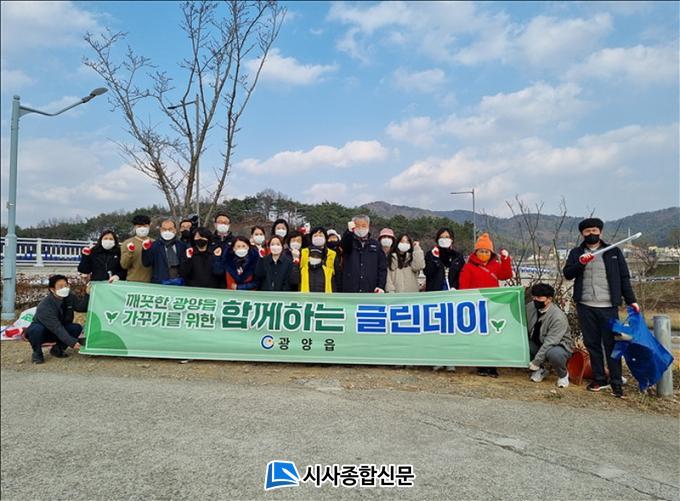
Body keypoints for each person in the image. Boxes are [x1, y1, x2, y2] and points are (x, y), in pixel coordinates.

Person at [563, 218, 638, 398]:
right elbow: (567, 274)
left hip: (608, 306)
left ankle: (616, 381)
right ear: (582, 234)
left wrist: (631, 300)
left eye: (594, 230)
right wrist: (581, 263)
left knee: (612, 344)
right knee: (592, 344)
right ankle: (599, 379)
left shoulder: (613, 252)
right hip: (585, 305)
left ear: (600, 232)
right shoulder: (576, 253)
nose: (591, 234)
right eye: (587, 231)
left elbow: (624, 278)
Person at [458, 232, 513, 377]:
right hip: (476, 306)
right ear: (476, 252)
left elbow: (506, 275)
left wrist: (506, 260)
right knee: (479, 335)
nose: (484, 254)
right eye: (481, 251)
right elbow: (463, 286)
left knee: (492, 335)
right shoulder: (469, 267)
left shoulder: (495, 265)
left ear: (491, 253)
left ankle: (492, 365)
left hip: (492, 306)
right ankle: (481, 364)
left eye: (487, 251)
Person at [25, 275, 89, 364]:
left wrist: (87, 294)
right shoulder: (45, 306)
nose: (65, 288)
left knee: (76, 328)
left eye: (66, 285)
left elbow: (81, 307)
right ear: (52, 289)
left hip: (60, 327)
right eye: (60, 287)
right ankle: (37, 353)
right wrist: (72, 343)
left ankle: (58, 349)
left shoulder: (69, 297)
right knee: (35, 330)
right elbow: (56, 328)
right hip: (45, 332)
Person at [526, 283, 573, 388]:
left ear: (549, 299)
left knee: (554, 354)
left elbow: (551, 342)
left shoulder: (558, 317)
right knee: (523, 344)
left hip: (558, 346)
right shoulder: (530, 307)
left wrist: (536, 362)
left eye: (539, 298)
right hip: (538, 342)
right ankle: (541, 370)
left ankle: (563, 375)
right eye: (534, 297)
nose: (535, 300)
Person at [340, 215, 387, 293]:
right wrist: (348, 232)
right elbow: (344, 245)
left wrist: (380, 286)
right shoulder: (349, 242)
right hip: (350, 289)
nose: (361, 228)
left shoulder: (376, 244)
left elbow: (382, 268)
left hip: (371, 290)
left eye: (363, 226)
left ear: (368, 226)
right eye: (357, 226)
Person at [291, 227, 340, 293]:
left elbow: (337, 276)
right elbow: (296, 275)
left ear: (325, 238)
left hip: (327, 290)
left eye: (320, 235)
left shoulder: (332, 254)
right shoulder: (303, 252)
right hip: (305, 289)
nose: (318, 237)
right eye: (315, 236)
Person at [141, 219, 188, 285]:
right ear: (160, 230)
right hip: (160, 283)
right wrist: (145, 250)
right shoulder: (154, 245)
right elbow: (146, 263)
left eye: (170, 229)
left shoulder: (181, 245)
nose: (167, 231)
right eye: (164, 229)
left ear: (175, 230)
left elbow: (185, 264)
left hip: (179, 283)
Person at [120, 214, 153, 283]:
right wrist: (130, 252)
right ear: (134, 227)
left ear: (149, 226)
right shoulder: (127, 243)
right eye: (139, 226)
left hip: (152, 282)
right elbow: (124, 265)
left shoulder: (154, 243)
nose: (142, 228)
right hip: (133, 282)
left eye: (145, 226)